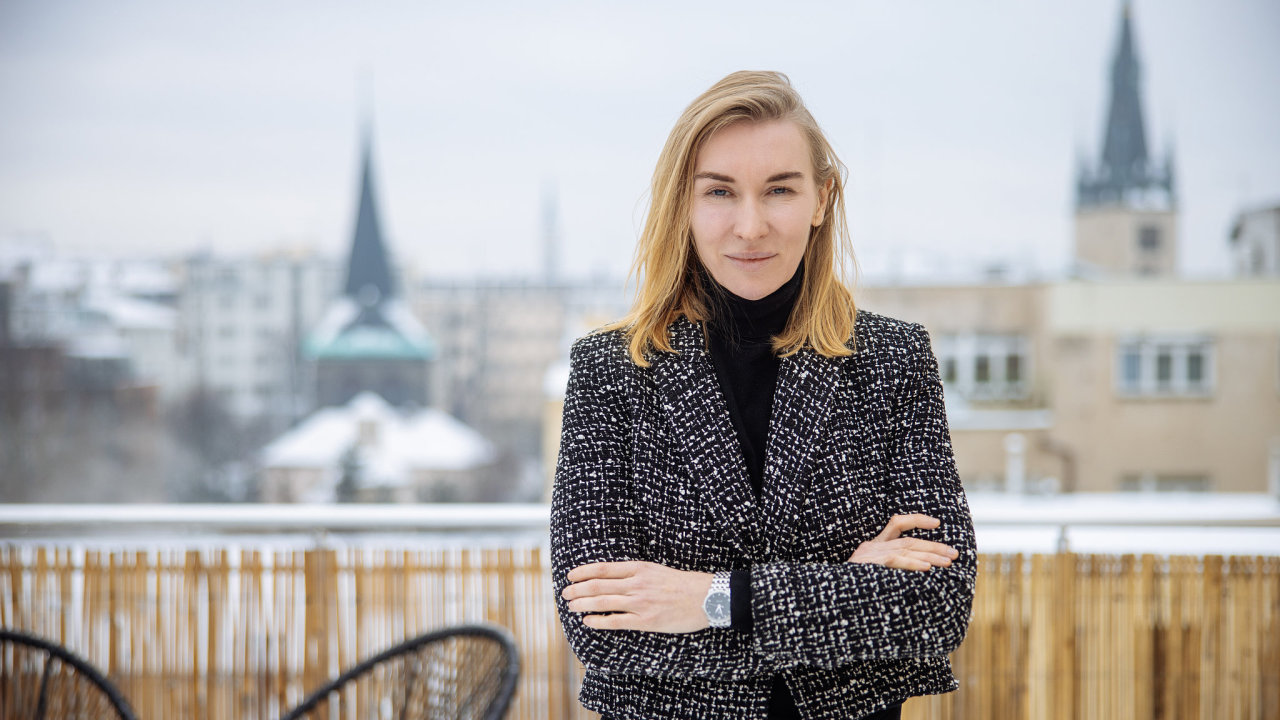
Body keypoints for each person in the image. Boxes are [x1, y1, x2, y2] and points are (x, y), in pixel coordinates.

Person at [551, 70, 976, 720]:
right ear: (683, 203)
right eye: (720, 191)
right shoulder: (612, 370)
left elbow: (936, 607)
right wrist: (847, 588)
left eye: (779, 190)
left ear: (821, 199)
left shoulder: (893, 360)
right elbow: (600, 624)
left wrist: (711, 599)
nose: (750, 226)